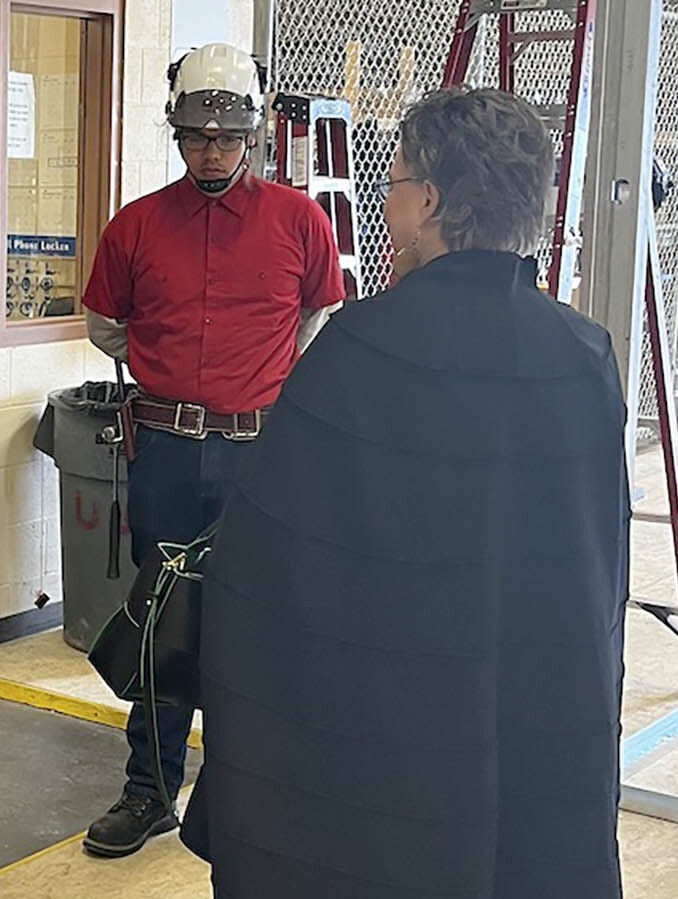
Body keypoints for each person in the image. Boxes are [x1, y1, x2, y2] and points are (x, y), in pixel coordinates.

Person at [181, 87, 627, 899]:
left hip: (389, 748)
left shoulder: (357, 350)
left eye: (395, 185)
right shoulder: (584, 354)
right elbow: (597, 578)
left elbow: (267, 568)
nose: (388, 205)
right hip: (534, 714)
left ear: (428, 201)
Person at [80, 42, 346, 859]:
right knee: (161, 619)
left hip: (254, 456)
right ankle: (149, 789)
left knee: (252, 623)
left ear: (255, 134)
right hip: (161, 448)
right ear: (177, 132)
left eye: (228, 138)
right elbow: (105, 328)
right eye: (197, 137)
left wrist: (256, 384)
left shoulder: (301, 221)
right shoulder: (135, 226)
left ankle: (248, 793)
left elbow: (317, 317)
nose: (213, 153)